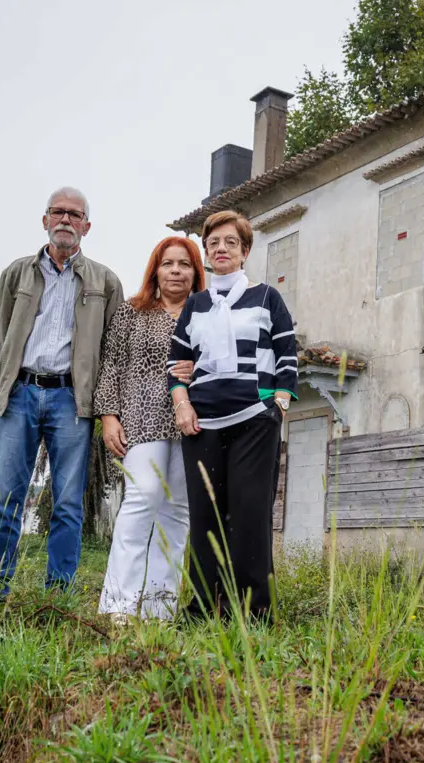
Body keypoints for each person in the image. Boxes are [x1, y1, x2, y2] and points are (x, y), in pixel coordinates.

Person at [0, 187, 123, 601]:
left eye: (74, 214)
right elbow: (3, 331)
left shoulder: (104, 281)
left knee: (66, 503)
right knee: (6, 498)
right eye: (57, 212)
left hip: (71, 401)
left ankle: (57, 596)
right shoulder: (17, 273)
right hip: (21, 393)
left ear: (87, 226)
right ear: (45, 220)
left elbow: (111, 345)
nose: (65, 220)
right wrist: (13, 375)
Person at [168, 210, 296, 621]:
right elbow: (177, 362)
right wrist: (182, 404)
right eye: (214, 243)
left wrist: (276, 403)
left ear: (244, 251)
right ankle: (205, 607)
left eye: (230, 242)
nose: (221, 249)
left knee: (249, 513)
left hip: (253, 421)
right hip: (202, 424)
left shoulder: (266, 298)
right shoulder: (195, 305)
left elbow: (286, 354)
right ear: (206, 252)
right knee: (206, 517)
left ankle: (255, 610)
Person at [95, 237, 206, 622]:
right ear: (155, 270)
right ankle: (119, 606)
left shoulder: (205, 313)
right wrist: (109, 416)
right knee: (141, 501)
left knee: (177, 512)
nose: (176, 271)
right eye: (168, 264)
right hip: (142, 419)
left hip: (193, 421)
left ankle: (160, 610)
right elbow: (110, 365)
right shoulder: (132, 312)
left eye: (185, 264)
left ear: (195, 272)